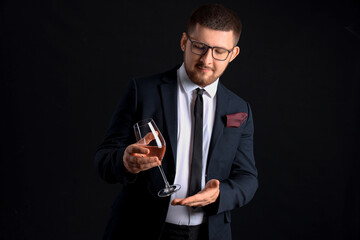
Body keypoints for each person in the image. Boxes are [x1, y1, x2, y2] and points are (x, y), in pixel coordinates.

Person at [95, 4, 258, 240]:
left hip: (209, 234)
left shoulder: (240, 109)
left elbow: (248, 178)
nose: (207, 60)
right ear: (184, 42)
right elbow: (103, 159)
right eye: (199, 47)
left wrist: (220, 195)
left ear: (233, 54)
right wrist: (125, 161)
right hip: (140, 231)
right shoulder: (142, 91)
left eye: (219, 51)